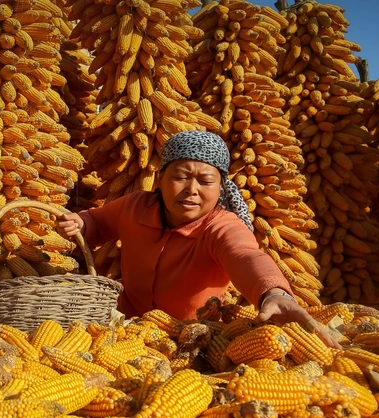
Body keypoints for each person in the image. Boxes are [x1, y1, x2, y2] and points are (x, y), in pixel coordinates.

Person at [57, 131, 340, 348]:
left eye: (205, 181)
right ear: (161, 179)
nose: (191, 190)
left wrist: (274, 292)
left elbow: (245, 256)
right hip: (124, 327)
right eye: (181, 177)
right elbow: (98, 221)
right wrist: (80, 223)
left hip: (189, 339)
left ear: (220, 188)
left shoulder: (221, 226)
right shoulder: (134, 207)